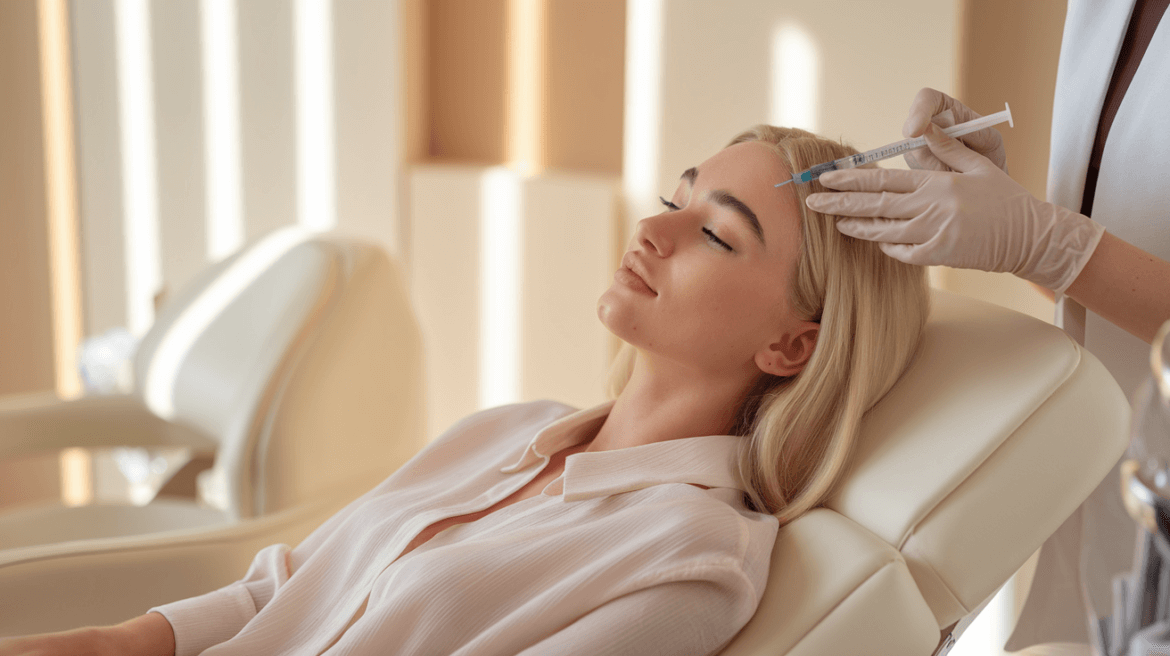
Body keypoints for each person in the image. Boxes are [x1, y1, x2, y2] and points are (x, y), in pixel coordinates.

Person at [0, 126, 930, 656]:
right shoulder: (510, 431)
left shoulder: (692, 558)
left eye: (717, 235)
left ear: (792, 346)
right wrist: (108, 644)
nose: (656, 228)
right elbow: (283, 594)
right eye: (675, 195)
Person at [803, 1, 1170, 652]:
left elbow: (1072, 254)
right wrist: (1014, 214)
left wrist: (1045, 241)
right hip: (1101, 528)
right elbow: (1108, 285)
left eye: (718, 234)